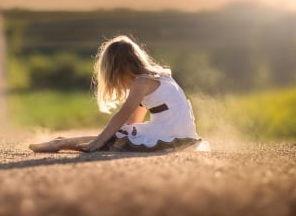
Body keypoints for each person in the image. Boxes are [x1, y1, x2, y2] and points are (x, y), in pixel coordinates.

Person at [29, 35, 202, 153]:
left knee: (109, 139)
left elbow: (123, 115)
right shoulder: (159, 77)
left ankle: (60, 143)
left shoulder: (142, 82)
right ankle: (62, 141)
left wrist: (99, 140)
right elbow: (133, 121)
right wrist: (111, 135)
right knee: (116, 136)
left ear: (116, 69)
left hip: (170, 135)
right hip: (183, 133)